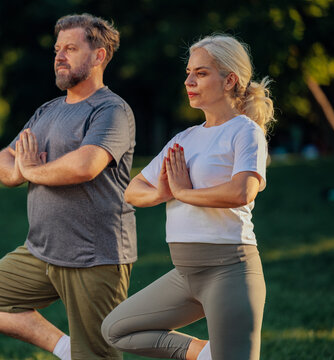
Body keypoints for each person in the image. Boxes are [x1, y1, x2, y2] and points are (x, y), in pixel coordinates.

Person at [0, 13, 137, 360]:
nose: (59, 56)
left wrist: (28, 170)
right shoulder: (48, 110)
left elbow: (85, 165)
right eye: (57, 49)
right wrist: (17, 173)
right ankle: (66, 348)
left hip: (93, 256)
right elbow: (4, 158)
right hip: (41, 251)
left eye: (70, 48)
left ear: (99, 56)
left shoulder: (111, 110)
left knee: (99, 356)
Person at [101, 34, 275, 360]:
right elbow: (133, 190)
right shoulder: (185, 138)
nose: (189, 81)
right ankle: (206, 355)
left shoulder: (245, 131)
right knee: (116, 329)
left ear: (229, 80)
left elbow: (242, 190)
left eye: (201, 73)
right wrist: (162, 192)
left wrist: (183, 193)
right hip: (185, 275)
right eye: (189, 72)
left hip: (230, 271)